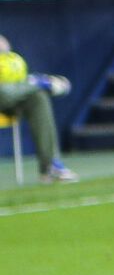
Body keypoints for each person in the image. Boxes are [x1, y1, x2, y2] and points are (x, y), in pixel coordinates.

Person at [0, 34, 78, 183]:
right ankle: (36, 82)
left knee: (37, 97)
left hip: (9, 99)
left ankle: (49, 165)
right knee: (12, 92)